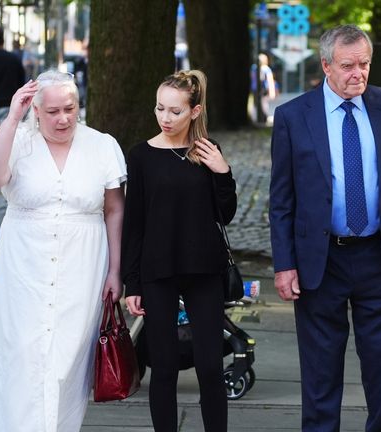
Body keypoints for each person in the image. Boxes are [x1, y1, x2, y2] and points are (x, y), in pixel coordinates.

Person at [269, 24, 381, 432]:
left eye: (365, 64)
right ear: (326, 66)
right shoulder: (293, 117)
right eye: (348, 65)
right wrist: (284, 264)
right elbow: (281, 200)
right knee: (319, 373)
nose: (359, 73)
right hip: (321, 260)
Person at [0, 70, 127, 431]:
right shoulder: (18, 140)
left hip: (81, 268)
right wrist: (13, 118)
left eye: (70, 108)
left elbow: (114, 209)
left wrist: (115, 269)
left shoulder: (102, 145)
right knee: (19, 356)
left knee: (67, 363)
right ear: (35, 110)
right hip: (22, 267)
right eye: (52, 111)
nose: (63, 118)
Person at [121, 69, 237, 432]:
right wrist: (132, 283)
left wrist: (223, 171)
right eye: (160, 109)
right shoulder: (140, 156)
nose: (165, 118)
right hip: (158, 272)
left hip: (204, 270)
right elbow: (134, 223)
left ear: (195, 111)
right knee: (165, 367)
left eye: (175, 111)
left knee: (210, 368)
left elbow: (227, 214)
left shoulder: (207, 151)